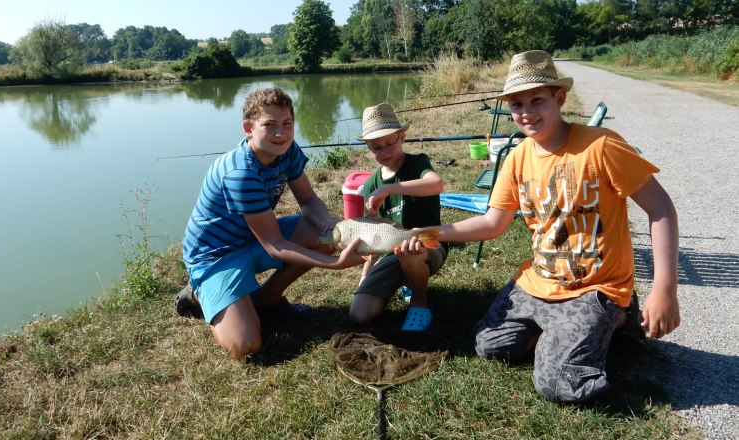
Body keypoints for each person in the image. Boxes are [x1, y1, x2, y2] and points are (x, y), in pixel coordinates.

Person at [401, 50, 680, 402]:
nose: (527, 112)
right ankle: (565, 333)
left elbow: (661, 209)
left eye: (537, 100)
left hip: (594, 285)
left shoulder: (601, 146)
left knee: (556, 385)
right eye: (517, 105)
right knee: (489, 346)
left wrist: (664, 289)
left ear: (559, 98)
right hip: (538, 280)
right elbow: (492, 223)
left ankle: (619, 317)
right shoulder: (518, 157)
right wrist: (429, 233)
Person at [177, 87, 365, 360]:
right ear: (248, 128)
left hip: (254, 237)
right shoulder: (240, 174)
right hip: (215, 256)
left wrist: (339, 228)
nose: (281, 133)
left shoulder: (286, 150)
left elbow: (309, 199)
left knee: (324, 234)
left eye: (287, 124)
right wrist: (336, 264)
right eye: (270, 125)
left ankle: (267, 301)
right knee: (245, 346)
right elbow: (275, 244)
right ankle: (198, 292)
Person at [348, 103, 448, 332]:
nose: (384, 152)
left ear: (402, 137)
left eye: (390, 144)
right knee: (360, 315)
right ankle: (405, 281)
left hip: (430, 243)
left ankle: (419, 302)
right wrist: (365, 276)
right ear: (368, 148)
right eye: (376, 148)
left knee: (409, 248)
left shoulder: (417, 163)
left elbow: (436, 184)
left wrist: (389, 189)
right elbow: (371, 238)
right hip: (392, 253)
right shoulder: (372, 182)